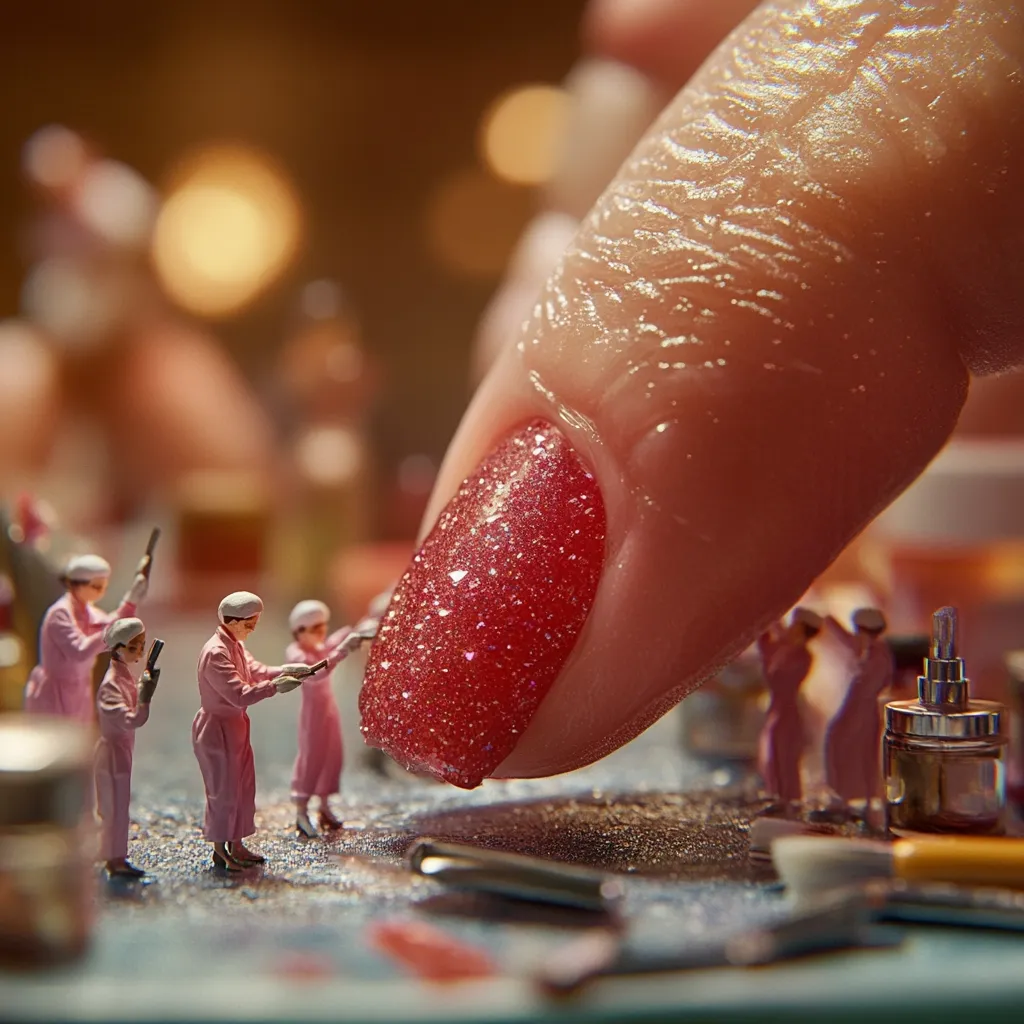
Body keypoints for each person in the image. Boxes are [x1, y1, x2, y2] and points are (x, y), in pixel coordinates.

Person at [191, 591, 312, 871]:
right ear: (233, 621)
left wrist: (285, 669)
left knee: (242, 788)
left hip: (235, 725)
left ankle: (237, 843)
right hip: (217, 727)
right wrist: (275, 686)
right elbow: (239, 693)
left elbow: (254, 669)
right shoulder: (215, 653)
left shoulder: (234, 644)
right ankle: (220, 849)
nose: (253, 628)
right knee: (223, 791)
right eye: (249, 623)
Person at [24, 554, 149, 723]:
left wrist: (131, 601)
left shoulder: (89, 612)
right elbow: (80, 650)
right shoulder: (60, 614)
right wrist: (114, 631)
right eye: (96, 586)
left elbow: (111, 625)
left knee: (78, 739)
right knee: (54, 739)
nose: (101, 592)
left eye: (104, 586)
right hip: (55, 691)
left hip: (80, 689)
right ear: (77, 585)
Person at [286, 600, 371, 837]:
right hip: (313, 712)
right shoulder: (296, 653)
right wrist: (343, 648)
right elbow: (316, 671)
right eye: (315, 628)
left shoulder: (316, 646)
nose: (321, 633)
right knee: (312, 757)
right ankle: (301, 810)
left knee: (333, 755)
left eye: (323, 626)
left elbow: (330, 645)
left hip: (328, 709)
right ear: (299, 631)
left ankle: (324, 805)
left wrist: (356, 631)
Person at [94, 617, 158, 879]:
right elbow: (133, 719)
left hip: (120, 751)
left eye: (141, 646)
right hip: (112, 753)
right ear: (117, 648)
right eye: (133, 648)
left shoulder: (123, 678)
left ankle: (117, 857)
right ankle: (113, 859)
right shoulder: (112, 685)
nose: (139, 653)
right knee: (113, 809)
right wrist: (145, 698)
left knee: (119, 807)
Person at [823, 609, 896, 812]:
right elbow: (846, 640)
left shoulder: (878, 655)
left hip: (862, 708)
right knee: (840, 742)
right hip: (854, 705)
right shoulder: (866, 649)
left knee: (860, 750)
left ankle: (864, 797)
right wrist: (830, 622)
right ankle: (844, 795)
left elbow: (876, 682)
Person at [756, 608, 822, 811]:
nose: (790, 629)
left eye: (795, 627)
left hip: (788, 712)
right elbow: (765, 648)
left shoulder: (803, 656)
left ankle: (790, 798)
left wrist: (780, 641)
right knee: (774, 753)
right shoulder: (784, 649)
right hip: (777, 709)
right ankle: (776, 794)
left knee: (786, 756)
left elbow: (779, 679)